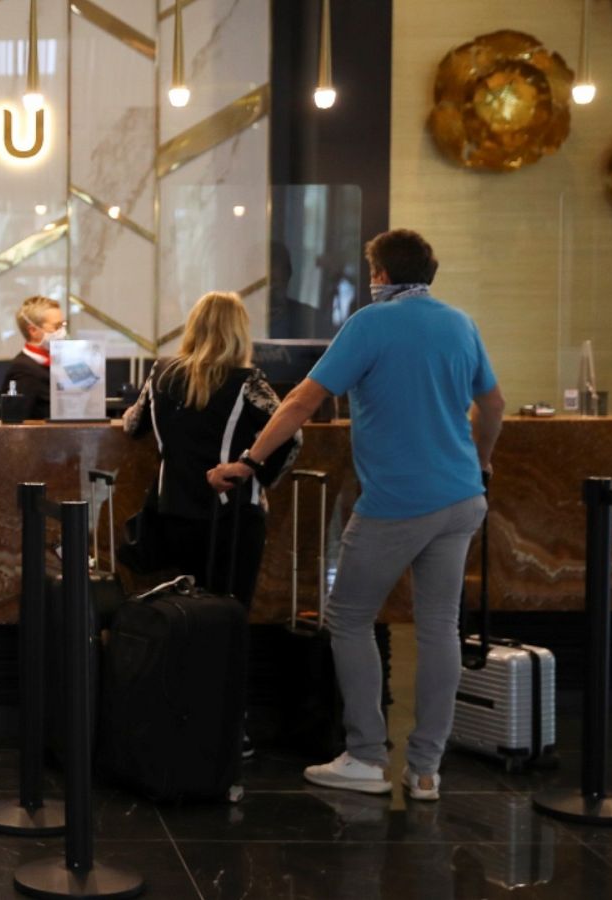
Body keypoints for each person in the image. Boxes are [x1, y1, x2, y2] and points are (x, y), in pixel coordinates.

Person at [208, 229, 506, 801]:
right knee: (440, 626)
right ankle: (425, 770)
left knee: (347, 617)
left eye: (371, 270)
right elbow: (491, 403)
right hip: (462, 498)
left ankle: (367, 757)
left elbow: (302, 400)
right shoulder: (459, 323)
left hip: (397, 501)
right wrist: (482, 459)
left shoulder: (370, 324)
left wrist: (249, 460)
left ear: (382, 275)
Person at [124, 291, 300, 606]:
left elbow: (133, 424)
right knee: (228, 612)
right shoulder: (248, 381)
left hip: (175, 512)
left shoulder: (161, 371)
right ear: (238, 332)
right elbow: (291, 434)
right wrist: (259, 475)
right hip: (232, 516)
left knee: (188, 611)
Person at [5, 296, 65, 420]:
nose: (62, 331)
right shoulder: (23, 371)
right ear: (33, 330)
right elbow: (18, 425)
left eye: (63, 325)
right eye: (57, 326)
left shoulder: (56, 362)